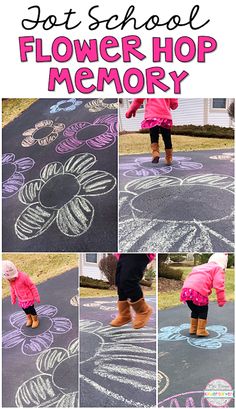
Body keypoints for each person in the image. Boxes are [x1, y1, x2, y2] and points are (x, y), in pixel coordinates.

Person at [180, 253, 228, 337]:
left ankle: (193, 329)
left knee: (195, 310)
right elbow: (219, 285)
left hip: (186, 291)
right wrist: (221, 300)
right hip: (199, 292)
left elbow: (189, 278)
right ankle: (201, 330)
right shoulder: (218, 269)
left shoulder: (198, 267)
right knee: (203, 310)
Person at [126, 98, 178, 165]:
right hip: (165, 116)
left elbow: (138, 99)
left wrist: (131, 110)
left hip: (152, 115)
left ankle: (155, 153)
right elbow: (174, 105)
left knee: (154, 135)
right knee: (167, 137)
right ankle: (169, 158)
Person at [110, 253, 155, 329]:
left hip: (140, 254)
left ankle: (143, 310)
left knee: (128, 279)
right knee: (119, 282)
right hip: (123, 254)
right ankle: (124, 315)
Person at [2, 260, 40, 328]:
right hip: (21, 300)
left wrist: (36, 296)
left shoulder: (23, 277)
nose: (9, 280)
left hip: (29, 298)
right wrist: (13, 298)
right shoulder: (11, 281)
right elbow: (12, 289)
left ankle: (35, 319)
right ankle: (29, 318)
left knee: (31, 309)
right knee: (25, 310)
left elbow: (32, 286)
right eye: (8, 279)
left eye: (10, 278)